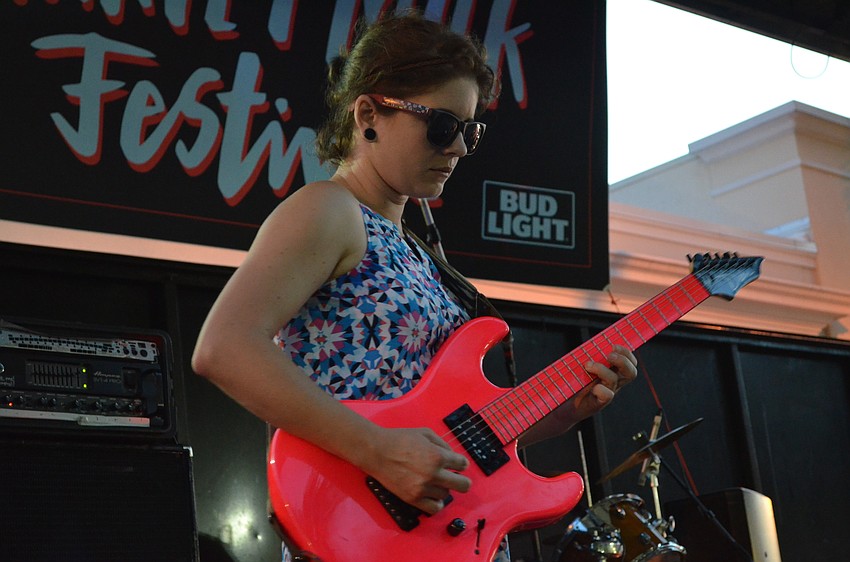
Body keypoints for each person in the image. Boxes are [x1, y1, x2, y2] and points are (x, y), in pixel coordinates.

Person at [191, 10, 637, 561]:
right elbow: (223, 348)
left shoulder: (412, 246)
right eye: (442, 126)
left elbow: (452, 438)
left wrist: (565, 411)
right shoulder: (330, 210)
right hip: (358, 533)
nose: (458, 149)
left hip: (437, 538)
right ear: (369, 113)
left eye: (470, 131)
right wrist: (377, 450)